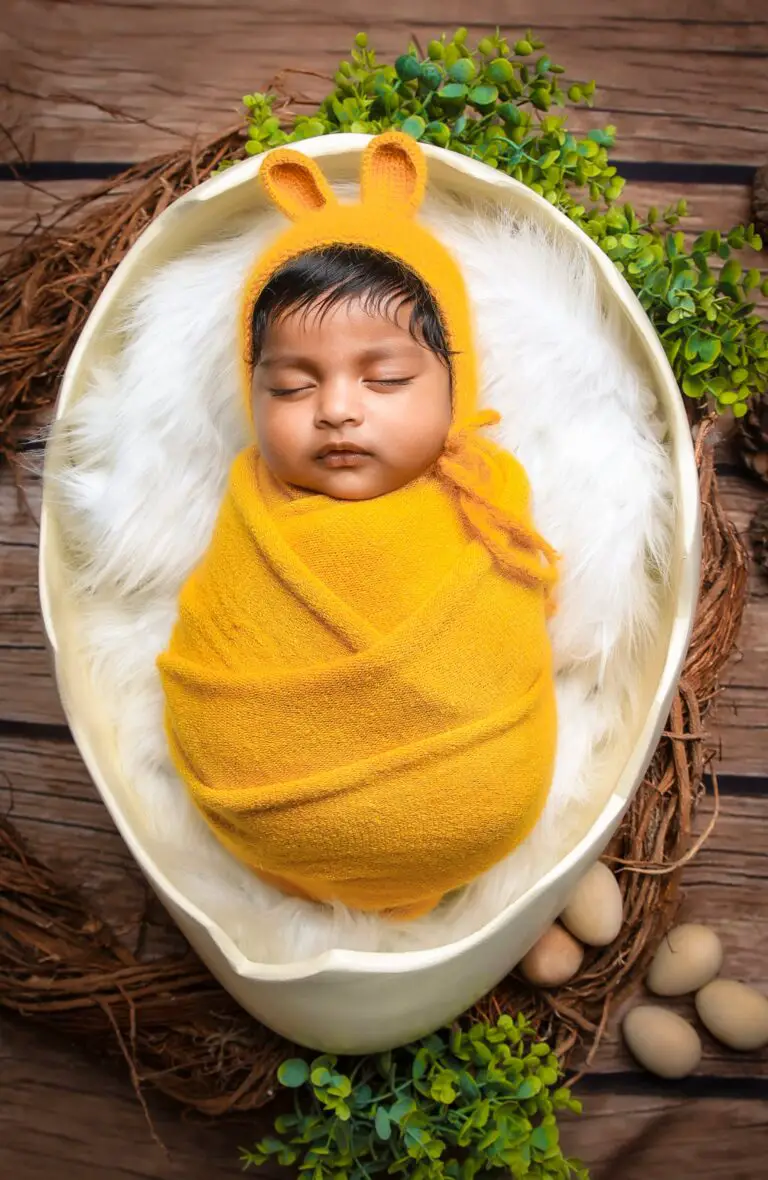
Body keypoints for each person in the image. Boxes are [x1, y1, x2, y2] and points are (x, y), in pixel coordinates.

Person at [158, 131, 558, 920]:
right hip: (266, 815)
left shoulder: (485, 495)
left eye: (386, 378)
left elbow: (515, 627)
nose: (337, 409)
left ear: (455, 381)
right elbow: (220, 634)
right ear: (252, 398)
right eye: (291, 385)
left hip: (478, 807)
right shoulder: (252, 507)